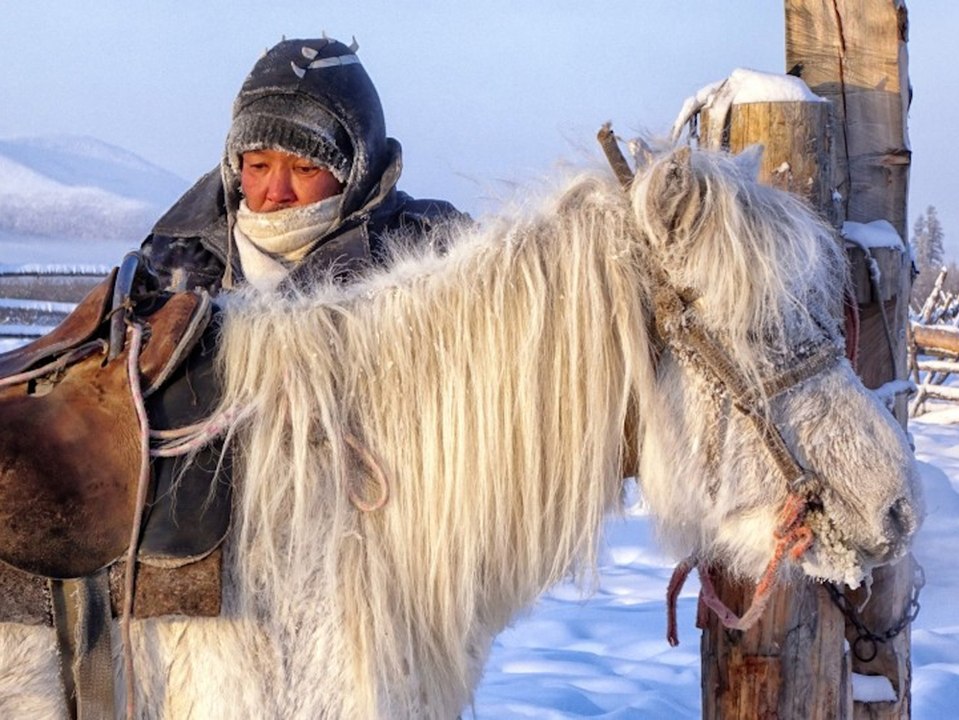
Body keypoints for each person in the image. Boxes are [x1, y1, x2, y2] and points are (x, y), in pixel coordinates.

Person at [141, 35, 467, 294]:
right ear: (235, 167)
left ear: (356, 173)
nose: (277, 192)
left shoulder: (435, 248)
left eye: (305, 169)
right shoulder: (172, 259)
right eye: (258, 166)